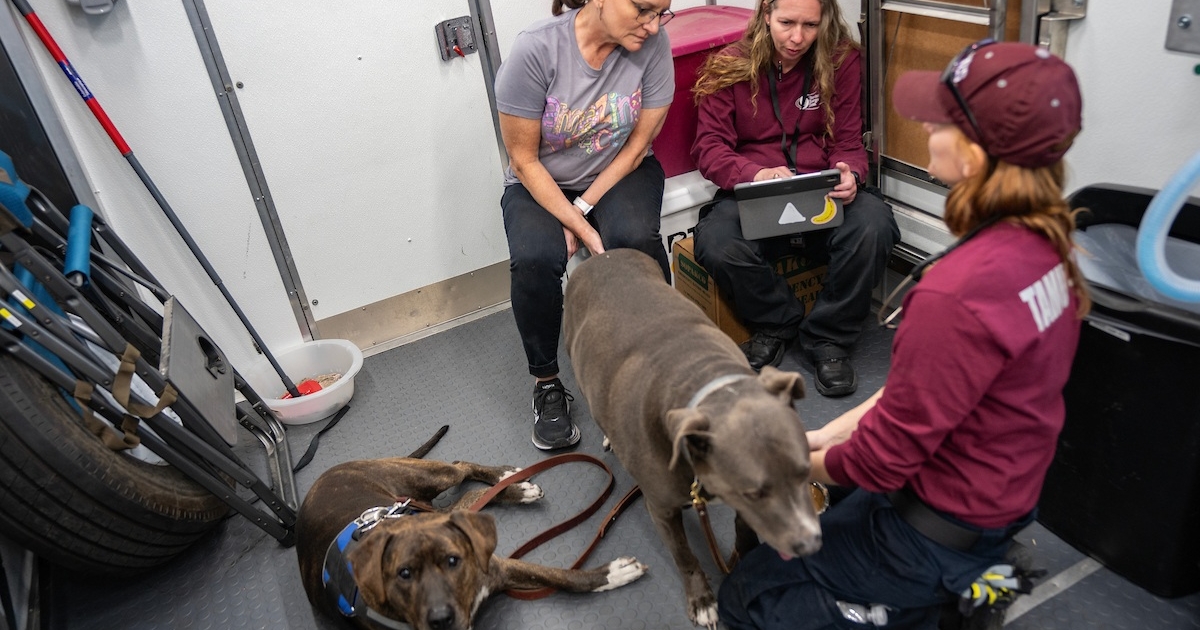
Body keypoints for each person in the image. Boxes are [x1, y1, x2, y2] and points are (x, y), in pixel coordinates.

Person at [717, 40, 1089, 629]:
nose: (923, 123)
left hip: (940, 529)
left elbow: (883, 461)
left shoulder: (955, 295)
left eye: (939, 118)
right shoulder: (1048, 243)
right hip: (1006, 489)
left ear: (973, 151)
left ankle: (924, 601)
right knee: (837, 495)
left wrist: (771, 468)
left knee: (748, 597)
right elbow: (916, 397)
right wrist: (815, 442)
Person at [690, 0, 899, 396]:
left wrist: (850, 173)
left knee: (874, 224)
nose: (798, 37)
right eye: (787, 23)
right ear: (765, 13)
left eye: (810, 25)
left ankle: (828, 338)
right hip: (755, 189)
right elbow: (710, 148)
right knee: (716, 242)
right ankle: (777, 322)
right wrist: (757, 174)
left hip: (820, 190)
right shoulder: (728, 63)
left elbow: (849, 141)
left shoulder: (841, 61)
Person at [494, 0, 675, 450]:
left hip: (620, 171)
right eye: (644, 9)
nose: (653, 26)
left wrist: (583, 212)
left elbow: (637, 148)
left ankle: (661, 358)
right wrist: (578, 223)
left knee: (633, 239)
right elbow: (524, 158)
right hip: (541, 180)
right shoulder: (535, 51)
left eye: (662, 14)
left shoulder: (652, 47)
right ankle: (547, 383)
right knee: (535, 259)